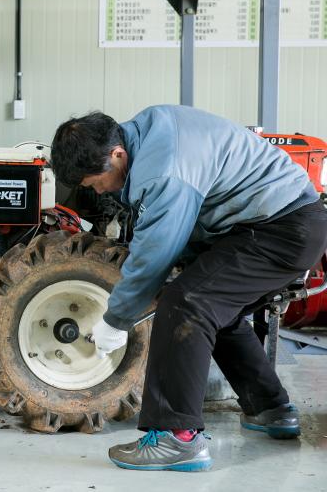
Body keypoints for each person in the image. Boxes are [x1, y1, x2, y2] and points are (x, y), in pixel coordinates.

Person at [50, 105, 327, 472]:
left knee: (186, 304)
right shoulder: (147, 131)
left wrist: (116, 319)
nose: (96, 189)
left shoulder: (164, 169)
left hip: (282, 230)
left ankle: (175, 437)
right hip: (272, 224)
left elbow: (154, 254)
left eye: (94, 181)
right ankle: (270, 408)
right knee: (215, 312)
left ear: (117, 154)